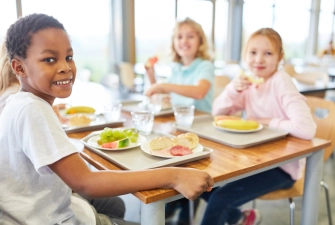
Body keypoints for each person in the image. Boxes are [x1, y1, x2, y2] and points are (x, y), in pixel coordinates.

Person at [0, 13, 214, 225]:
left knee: (115, 205)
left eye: (69, 57)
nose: (65, 67)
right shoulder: (33, 110)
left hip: (32, 208)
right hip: (44, 218)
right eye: (49, 59)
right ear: (19, 67)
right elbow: (86, 182)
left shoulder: (20, 103)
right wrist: (174, 175)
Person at [201, 28, 316, 225]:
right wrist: (232, 90)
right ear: (245, 55)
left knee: (221, 198)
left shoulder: (281, 82)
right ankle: (241, 218)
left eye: (268, 53)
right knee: (202, 185)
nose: (259, 60)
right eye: (253, 52)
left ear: (280, 57)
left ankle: (240, 217)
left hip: (282, 167)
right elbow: (217, 113)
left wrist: (267, 122)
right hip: (254, 160)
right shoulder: (248, 82)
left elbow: (306, 128)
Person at [145, 17, 214, 113]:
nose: (184, 41)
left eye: (190, 36)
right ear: (174, 42)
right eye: (179, 37)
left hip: (200, 122)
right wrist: (151, 75)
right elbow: (161, 94)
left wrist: (163, 85)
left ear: (200, 41)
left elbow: (199, 92)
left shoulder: (205, 66)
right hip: (178, 120)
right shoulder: (176, 68)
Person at [0, 41, 68, 123]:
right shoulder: (14, 94)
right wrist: (47, 115)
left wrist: (47, 108)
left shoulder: (13, 91)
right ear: (19, 67)